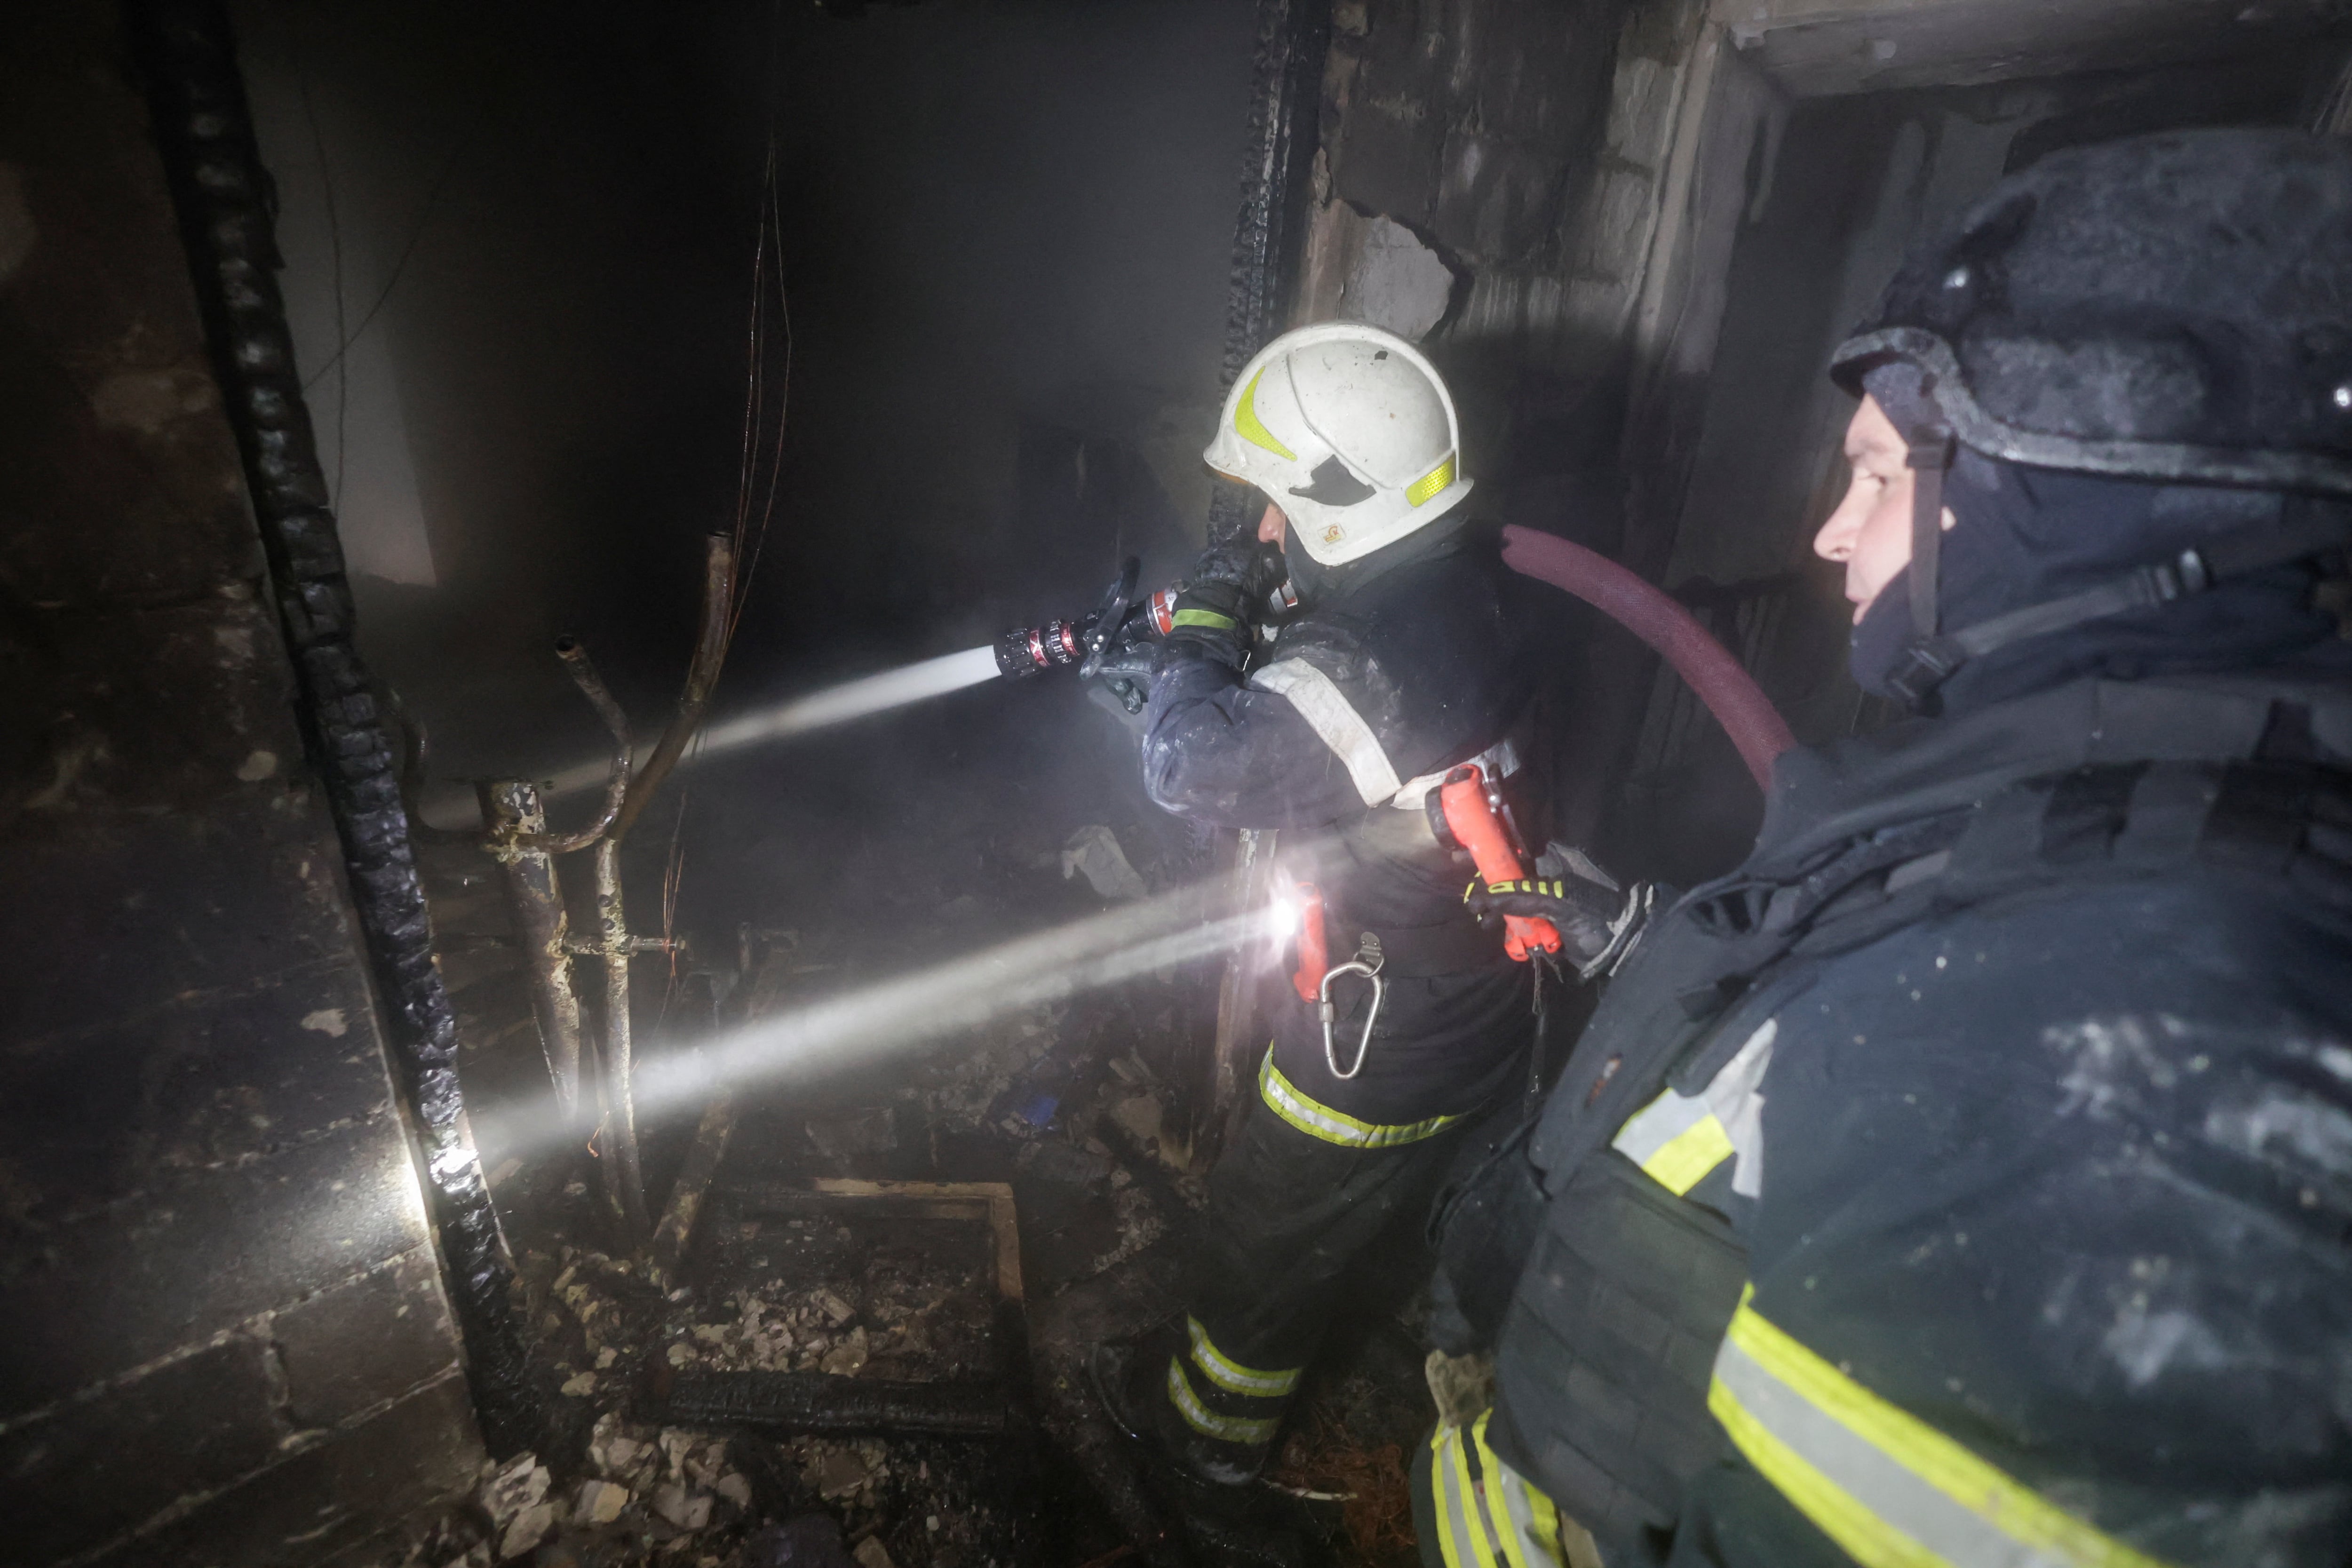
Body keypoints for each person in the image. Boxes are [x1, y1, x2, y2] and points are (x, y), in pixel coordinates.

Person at [1425, 127, 2352, 1568]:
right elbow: (1894, 991)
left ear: (2049, 490)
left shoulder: (2130, 1051)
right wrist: (1657, 945)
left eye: (1873, 476)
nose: (1826, 535)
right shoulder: (2136, 789)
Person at [1089, 321, 1624, 1494]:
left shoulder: (1375, 659)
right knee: (1418, 1208)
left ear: (1339, 501)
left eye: (1280, 504)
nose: (1270, 529)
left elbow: (1188, 767)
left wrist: (1204, 631)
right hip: (1487, 984)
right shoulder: (1467, 586)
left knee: (1263, 1231)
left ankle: (1204, 1443)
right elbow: (1360, 724)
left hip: (1381, 1022)